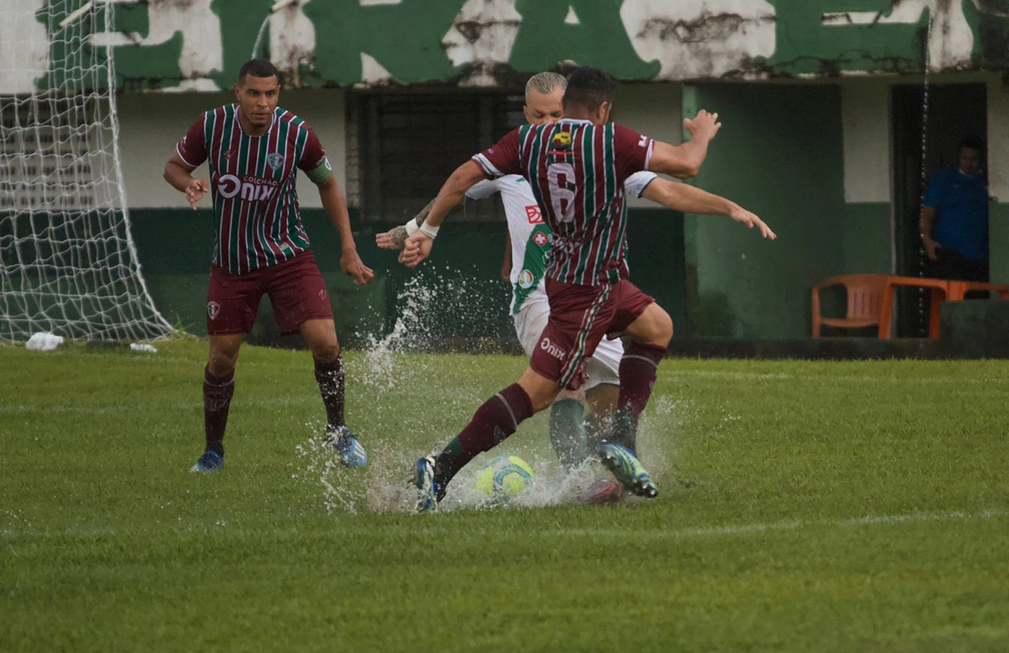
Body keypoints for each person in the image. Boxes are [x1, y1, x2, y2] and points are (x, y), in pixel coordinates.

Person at [399, 66, 775, 513]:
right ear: (602, 108)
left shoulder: (527, 142)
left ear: (568, 102)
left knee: (656, 326)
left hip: (592, 281)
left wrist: (429, 229)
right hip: (587, 289)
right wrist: (702, 133)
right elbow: (686, 167)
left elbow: (463, 176)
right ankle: (440, 468)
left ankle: (621, 443)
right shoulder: (609, 140)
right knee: (536, 393)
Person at [376, 72, 631, 501]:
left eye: (558, 114)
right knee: (564, 386)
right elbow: (457, 188)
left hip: (592, 293)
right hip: (538, 299)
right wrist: (415, 228)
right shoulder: (513, 160)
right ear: (525, 114)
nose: (550, 123)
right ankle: (581, 482)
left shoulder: (593, 153)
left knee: (611, 384)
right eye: (540, 115)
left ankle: (604, 470)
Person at [163, 58, 375, 473]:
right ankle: (213, 452)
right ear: (238, 92)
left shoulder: (296, 133)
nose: (263, 103)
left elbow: (328, 183)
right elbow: (173, 167)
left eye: (271, 94)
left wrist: (348, 248)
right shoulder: (211, 126)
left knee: (327, 343)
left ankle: (339, 433)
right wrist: (186, 182)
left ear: (279, 94)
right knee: (222, 357)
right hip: (232, 263)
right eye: (255, 93)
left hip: (288, 257)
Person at [920, 134, 990, 284]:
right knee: (951, 300)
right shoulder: (943, 179)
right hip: (949, 252)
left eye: (974, 159)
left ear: (982, 158)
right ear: (959, 157)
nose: (969, 164)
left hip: (981, 254)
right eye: (965, 158)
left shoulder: (989, 180)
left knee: (977, 300)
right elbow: (927, 214)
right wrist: (927, 240)